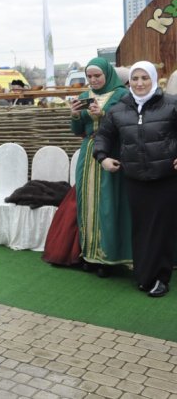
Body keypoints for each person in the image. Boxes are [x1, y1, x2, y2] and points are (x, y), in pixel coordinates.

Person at [94, 61, 177, 297]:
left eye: (145, 78)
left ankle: (159, 277)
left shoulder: (171, 104)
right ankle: (144, 275)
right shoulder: (119, 109)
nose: (140, 83)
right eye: (135, 79)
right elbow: (103, 136)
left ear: (153, 79)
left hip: (166, 178)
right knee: (141, 228)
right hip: (135, 179)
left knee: (161, 229)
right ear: (129, 82)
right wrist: (103, 158)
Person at [69, 57, 133, 276]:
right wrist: (76, 115)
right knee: (87, 202)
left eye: (97, 76)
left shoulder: (122, 95)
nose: (93, 80)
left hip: (111, 152)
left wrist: (104, 115)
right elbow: (78, 130)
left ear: (107, 74)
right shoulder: (84, 96)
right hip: (88, 154)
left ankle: (109, 257)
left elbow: (128, 125)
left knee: (108, 203)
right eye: (89, 76)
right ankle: (89, 255)